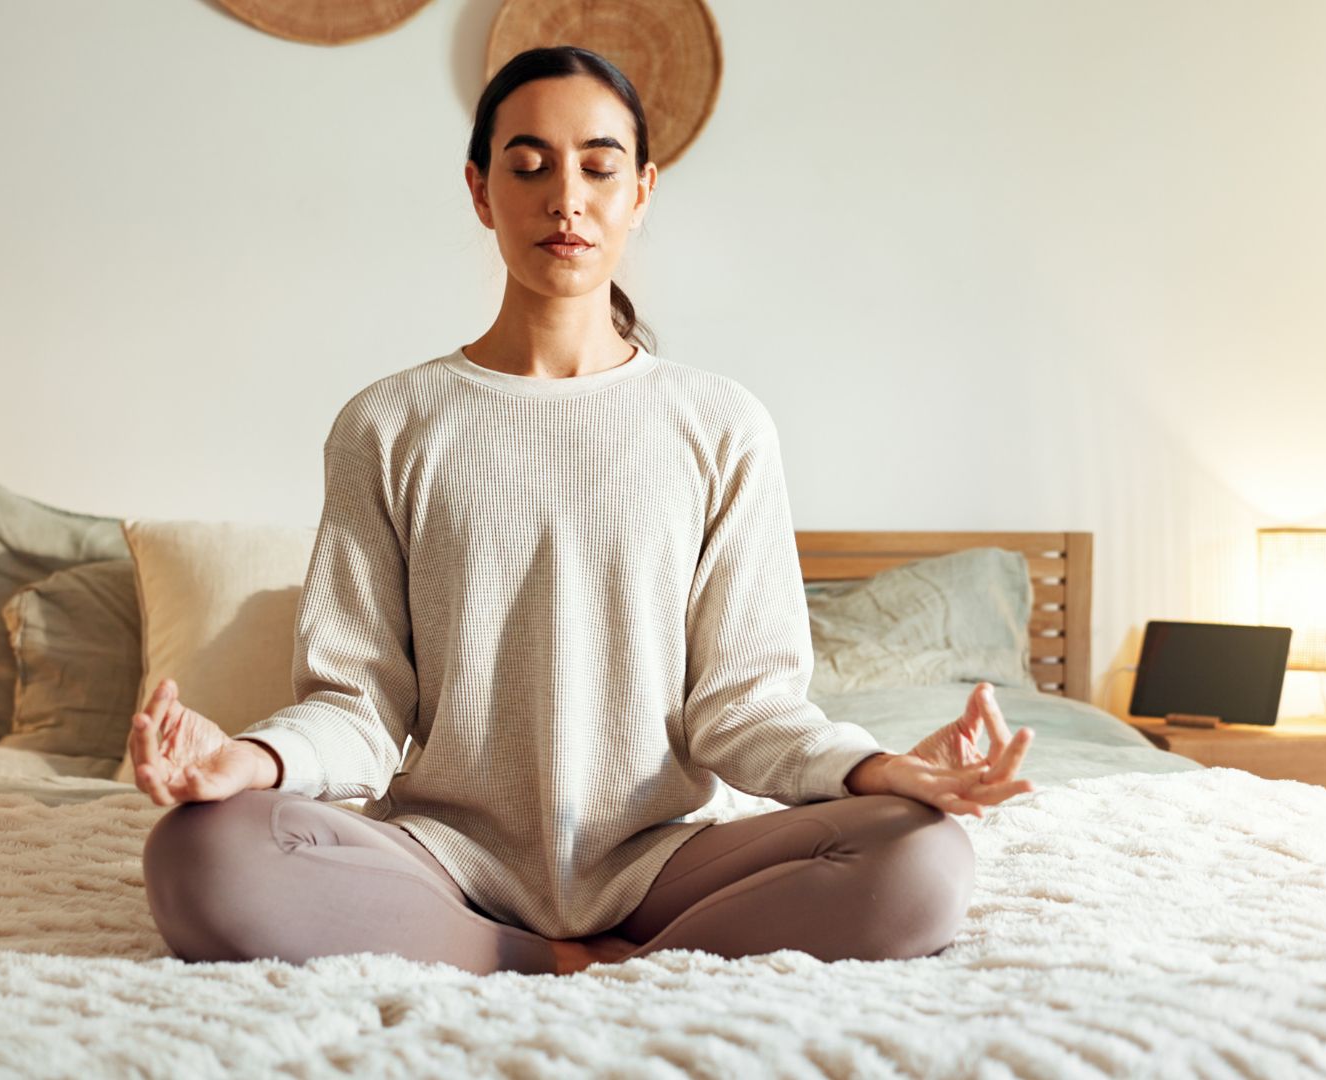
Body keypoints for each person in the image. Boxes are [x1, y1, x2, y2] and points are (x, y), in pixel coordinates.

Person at [135, 45, 1038, 977]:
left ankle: (539, 954)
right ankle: (558, 956)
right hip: (446, 858)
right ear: (481, 191)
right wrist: (249, 761)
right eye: (529, 166)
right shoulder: (389, 423)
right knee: (200, 854)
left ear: (641, 189)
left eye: (598, 166)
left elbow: (747, 709)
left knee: (924, 856)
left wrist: (882, 770)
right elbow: (359, 709)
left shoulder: (720, 425)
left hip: (662, 859)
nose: (565, 196)